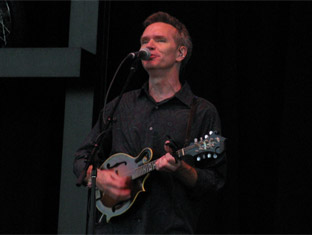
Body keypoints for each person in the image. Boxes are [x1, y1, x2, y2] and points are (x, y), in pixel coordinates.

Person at [74, 11, 226, 234]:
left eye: (160, 40)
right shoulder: (120, 105)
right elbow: (82, 157)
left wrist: (181, 169)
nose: (149, 45)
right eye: (145, 41)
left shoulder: (201, 111)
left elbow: (214, 181)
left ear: (180, 53)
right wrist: (99, 178)